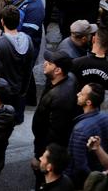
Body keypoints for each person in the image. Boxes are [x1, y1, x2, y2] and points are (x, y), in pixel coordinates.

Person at [31, 50, 78, 183]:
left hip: (47, 149)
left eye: (49, 63)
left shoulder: (61, 97)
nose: (45, 64)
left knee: (43, 178)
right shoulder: (62, 79)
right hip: (47, 145)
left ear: (58, 70)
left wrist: (39, 155)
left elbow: (55, 133)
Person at [66, 83, 108, 187]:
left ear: (88, 102)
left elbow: (80, 165)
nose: (77, 94)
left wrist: (93, 181)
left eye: (81, 94)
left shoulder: (80, 129)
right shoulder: (105, 117)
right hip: (99, 168)